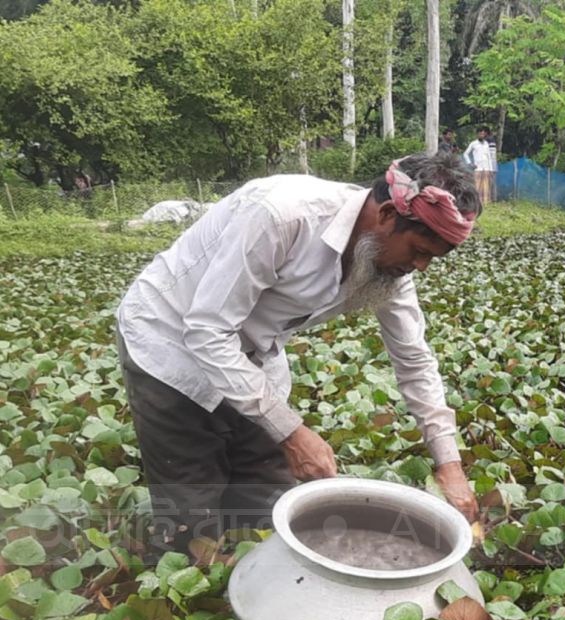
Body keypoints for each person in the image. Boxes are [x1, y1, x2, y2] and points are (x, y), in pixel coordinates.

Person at [115, 152, 482, 558]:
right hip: (170, 345)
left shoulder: (395, 270)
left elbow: (413, 358)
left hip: (255, 354)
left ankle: (259, 589)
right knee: (192, 513)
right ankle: (188, 584)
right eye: (419, 250)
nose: (421, 266)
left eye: (433, 258)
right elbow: (207, 331)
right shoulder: (282, 216)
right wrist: (292, 433)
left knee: (269, 503)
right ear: (389, 214)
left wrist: (449, 464)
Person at [463, 127, 497, 204]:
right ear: (477, 134)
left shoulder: (486, 144)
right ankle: (476, 201)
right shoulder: (473, 143)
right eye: (480, 133)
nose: (482, 135)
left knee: (486, 185)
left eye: (483, 133)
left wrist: (491, 169)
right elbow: (465, 154)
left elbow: (488, 157)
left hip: (486, 167)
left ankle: (485, 201)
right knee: (477, 185)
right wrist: (470, 163)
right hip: (477, 167)